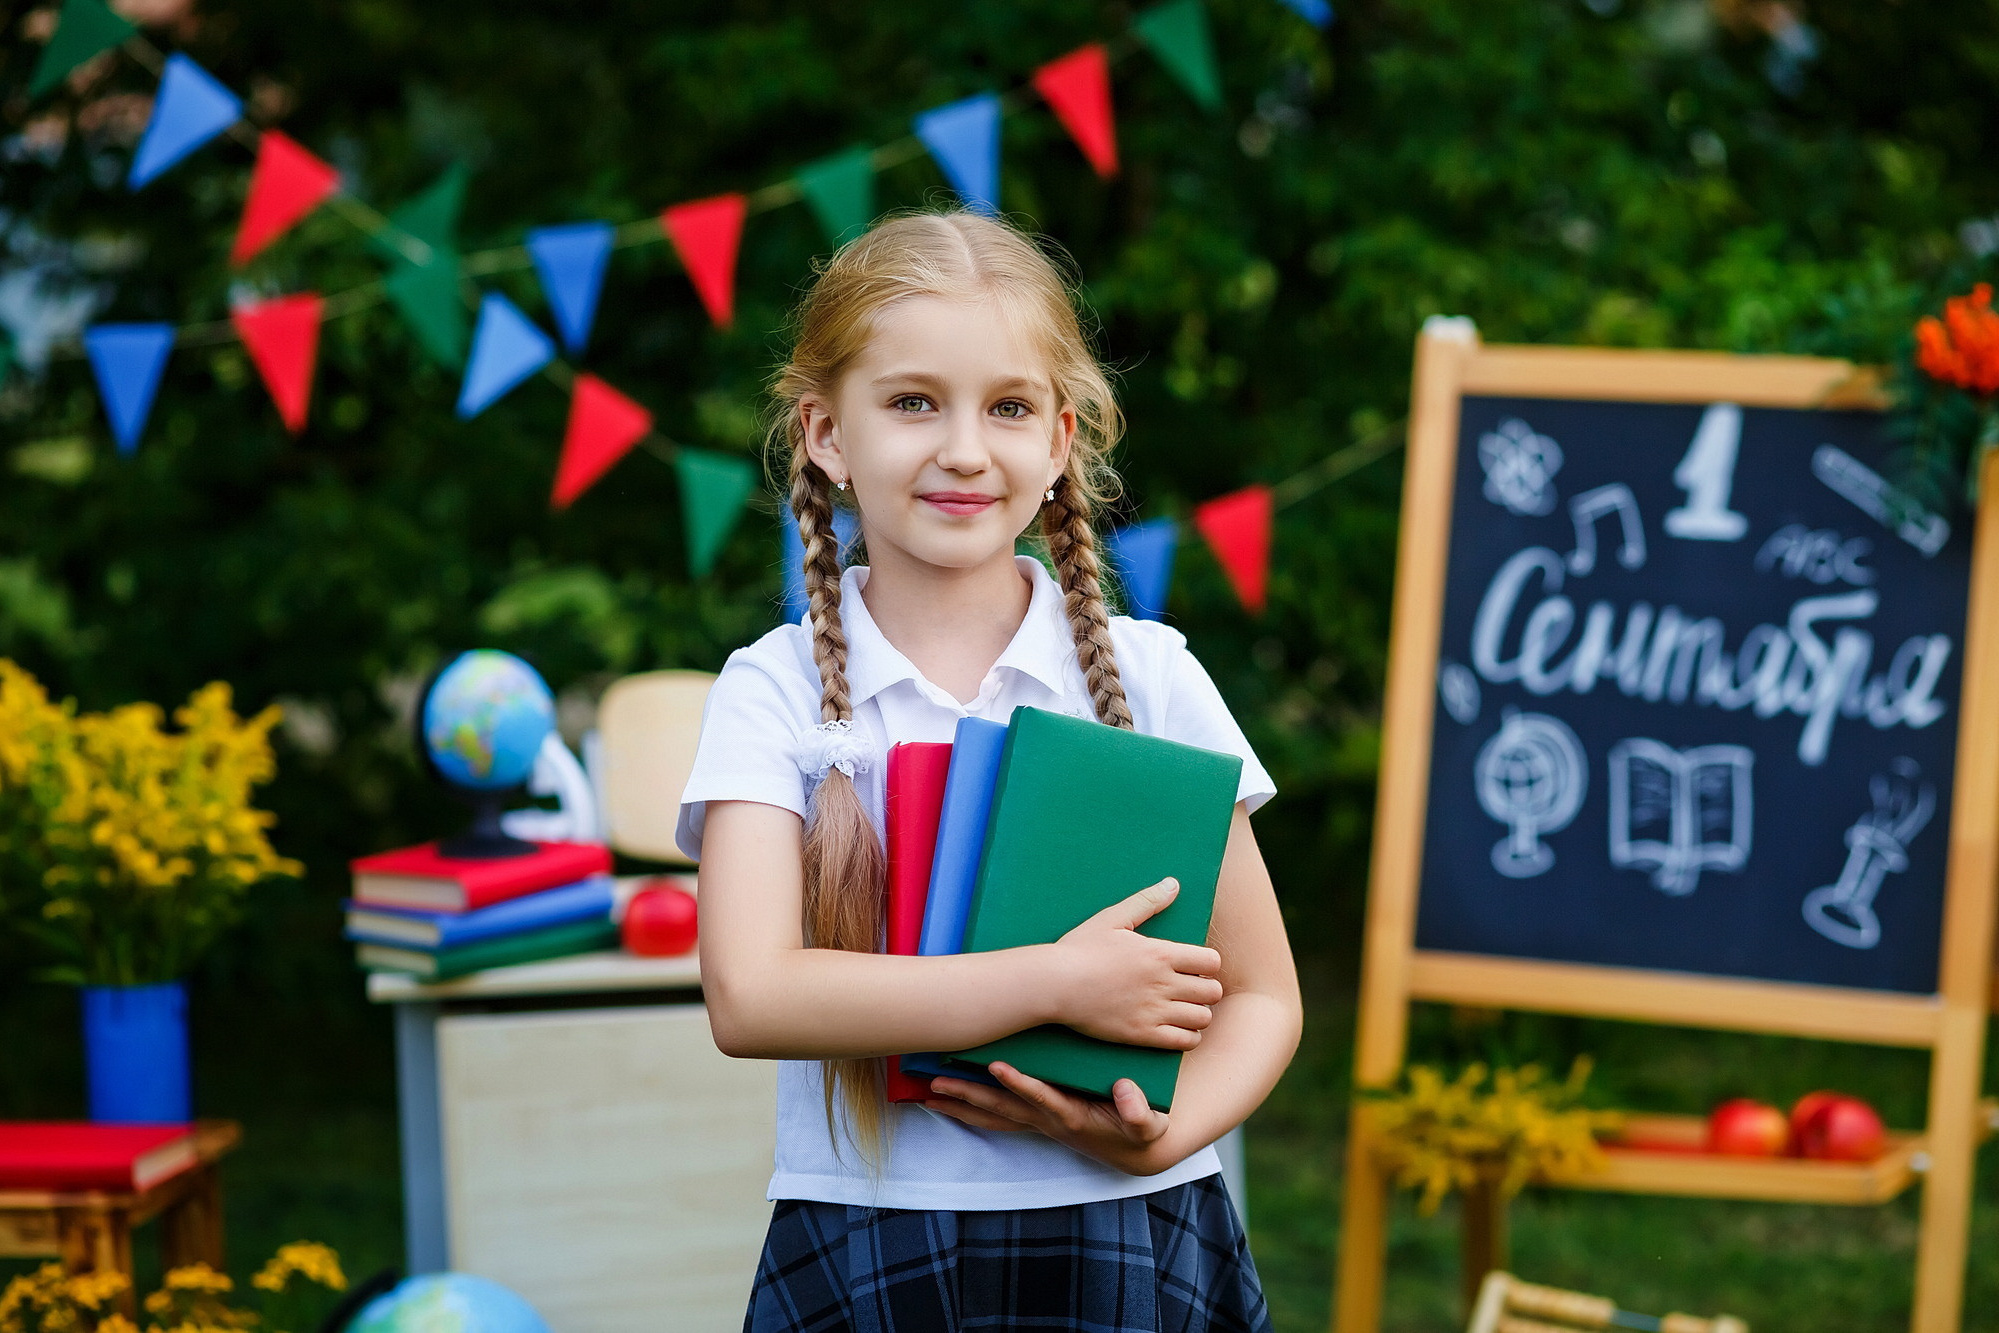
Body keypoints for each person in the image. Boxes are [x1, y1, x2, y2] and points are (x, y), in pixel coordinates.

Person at [677, 209, 1302, 1333]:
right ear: (825, 433)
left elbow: (1263, 997)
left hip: (1130, 1221)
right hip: (870, 1225)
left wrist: (1166, 1126)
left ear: (1060, 439)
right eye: (913, 401)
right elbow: (751, 993)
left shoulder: (1153, 678)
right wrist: (1054, 982)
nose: (964, 446)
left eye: (1007, 407)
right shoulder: (770, 690)